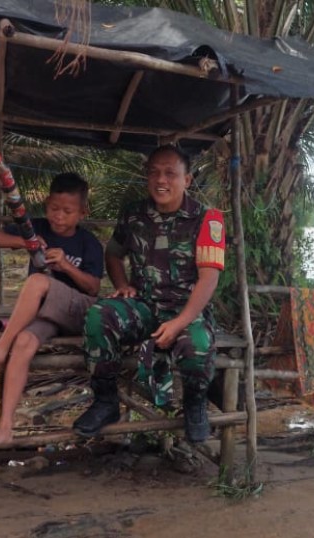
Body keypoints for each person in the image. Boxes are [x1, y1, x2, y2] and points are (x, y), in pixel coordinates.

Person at [72, 145, 226, 443]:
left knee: (198, 344)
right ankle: (105, 402)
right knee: (98, 316)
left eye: (170, 173)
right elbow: (113, 254)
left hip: (186, 310)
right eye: (154, 172)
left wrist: (180, 322)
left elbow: (209, 279)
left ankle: (195, 406)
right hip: (143, 306)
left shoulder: (208, 219)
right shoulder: (133, 215)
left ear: (187, 180)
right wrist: (121, 284)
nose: (161, 180)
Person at [0, 173, 103, 447]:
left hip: (80, 311)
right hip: (48, 313)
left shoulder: (88, 242)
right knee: (23, 341)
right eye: (54, 209)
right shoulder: (38, 228)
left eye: (67, 211)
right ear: (46, 205)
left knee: (36, 281)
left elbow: (93, 288)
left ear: (82, 212)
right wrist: (27, 242)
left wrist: (67, 266)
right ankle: (5, 428)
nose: (59, 216)